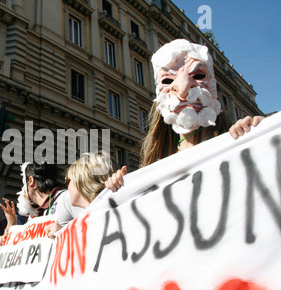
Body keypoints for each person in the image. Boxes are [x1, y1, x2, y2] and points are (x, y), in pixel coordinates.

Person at [105, 39, 265, 192]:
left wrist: (263, 136)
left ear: (213, 88)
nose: (183, 89)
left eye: (198, 76)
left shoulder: (236, 142)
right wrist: (121, 189)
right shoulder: (155, 168)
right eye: (167, 80)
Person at [45, 151, 115, 238]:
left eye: (68, 180)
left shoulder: (109, 212)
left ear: (81, 182)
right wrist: (62, 232)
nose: (67, 186)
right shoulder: (85, 218)